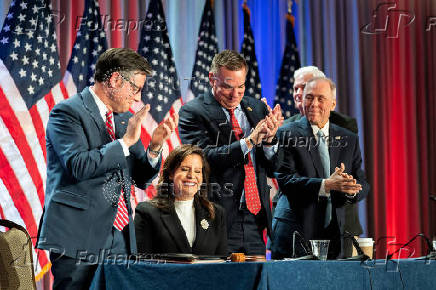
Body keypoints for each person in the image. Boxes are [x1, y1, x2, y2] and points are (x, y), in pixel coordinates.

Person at [36, 48, 178, 289]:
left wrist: (154, 147)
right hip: (78, 236)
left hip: (121, 238)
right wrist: (124, 143)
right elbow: (78, 165)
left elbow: (141, 177)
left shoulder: (123, 119)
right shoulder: (67, 113)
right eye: (135, 88)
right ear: (114, 80)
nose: (137, 98)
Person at [178, 50, 283, 255]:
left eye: (241, 86)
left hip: (255, 218)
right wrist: (250, 141)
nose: (235, 94)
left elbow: (274, 168)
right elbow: (204, 159)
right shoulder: (193, 111)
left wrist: (270, 140)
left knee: (256, 283)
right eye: (227, 87)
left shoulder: (256, 108)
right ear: (212, 79)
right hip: (217, 218)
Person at [271, 77, 369, 259]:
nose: (314, 104)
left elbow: (362, 181)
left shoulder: (348, 138)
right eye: (309, 97)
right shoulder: (287, 133)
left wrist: (351, 189)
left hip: (336, 234)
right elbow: (286, 180)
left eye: (320, 98)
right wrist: (327, 184)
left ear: (333, 104)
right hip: (295, 232)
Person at [135, 145, 227, 255]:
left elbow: (221, 265)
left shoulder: (216, 214)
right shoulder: (147, 212)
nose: (191, 175)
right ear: (170, 173)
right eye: (184, 169)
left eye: (197, 171)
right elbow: (142, 264)